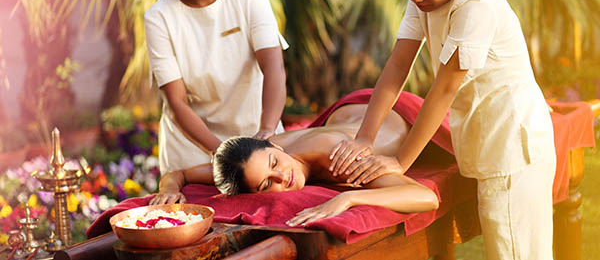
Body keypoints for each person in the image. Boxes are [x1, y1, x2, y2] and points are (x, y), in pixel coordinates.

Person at [329, 0, 556, 259]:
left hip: (513, 144)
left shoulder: (476, 2)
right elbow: (397, 66)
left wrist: (399, 161)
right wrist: (364, 139)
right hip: (488, 137)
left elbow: (445, 88)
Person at [149, 102, 440, 226]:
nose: (282, 176)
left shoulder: (339, 160)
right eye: (266, 184)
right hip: (347, 117)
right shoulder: (253, 161)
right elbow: (179, 173)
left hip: (389, 114)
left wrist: (348, 197)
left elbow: (426, 197)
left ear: (274, 144)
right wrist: (170, 189)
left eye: (274, 162)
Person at [145, 0, 287, 174]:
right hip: (193, 150)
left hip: (258, 140)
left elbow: (273, 67)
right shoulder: (159, 18)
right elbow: (177, 101)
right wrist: (220, 153)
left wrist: (267, 130)